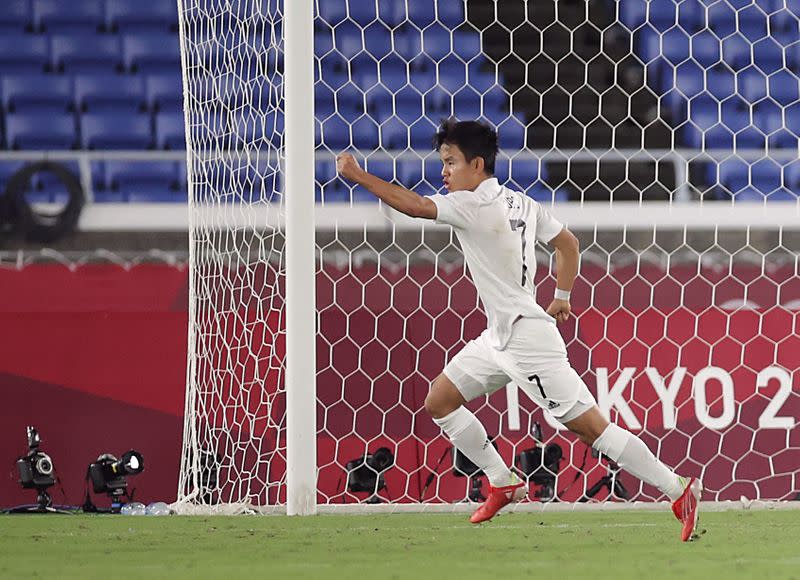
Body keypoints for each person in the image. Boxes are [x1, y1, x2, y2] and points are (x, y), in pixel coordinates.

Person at [336, 119, 702, 542]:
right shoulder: (521, 203)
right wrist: (562, 294)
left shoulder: (472, 206)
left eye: (450, 162)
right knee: (440, 399)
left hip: (527, 342)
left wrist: (358, 175)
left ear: (476, 165)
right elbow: (568, 245)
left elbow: (414, 205)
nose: (444, 172)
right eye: (443, 163)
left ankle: (678, 490)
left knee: (591, 429)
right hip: (499, 337)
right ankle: (502, 479)